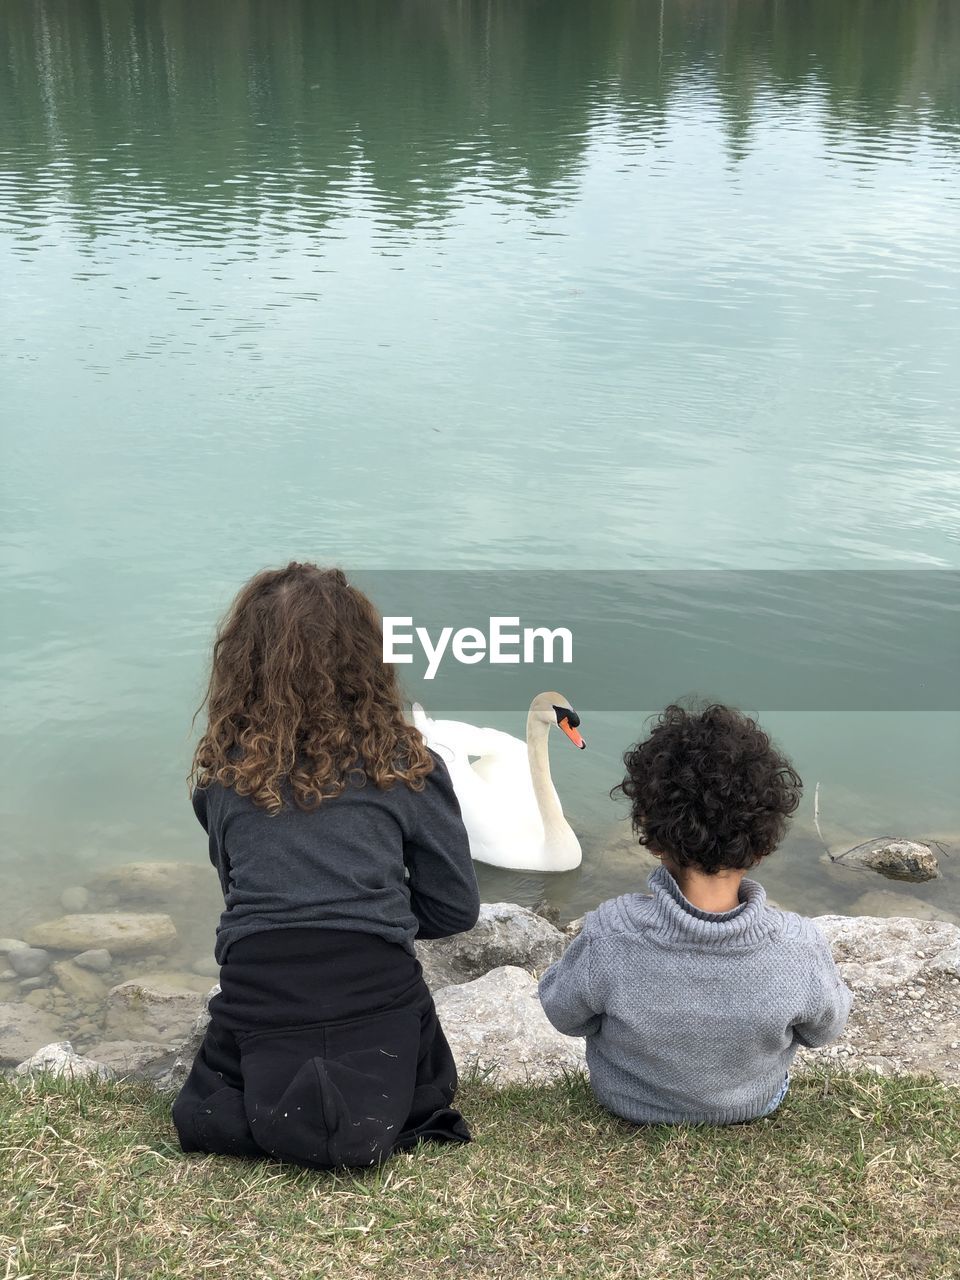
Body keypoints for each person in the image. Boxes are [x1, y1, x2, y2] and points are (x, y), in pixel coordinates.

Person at [172, 563, 480, 1169]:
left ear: (241, 666)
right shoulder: (409, 769)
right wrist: (373, 913)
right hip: (379, 993)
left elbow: (243, 901)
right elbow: (455, 908)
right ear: (368, 660)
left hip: (259, 1001)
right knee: (412, 1078)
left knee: (207, 1107)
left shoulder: (224, 782)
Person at [539, 702, 852, 1125]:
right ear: (763, 846)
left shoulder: (611, 933)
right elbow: (823, 1030)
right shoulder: (798, 945)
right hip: (753, 1103)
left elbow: (564, 1014)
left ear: (651, 836)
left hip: (625, 1100)